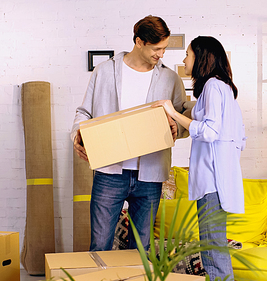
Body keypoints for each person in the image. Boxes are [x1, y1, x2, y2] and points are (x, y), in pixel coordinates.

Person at [70, 15, 187, 252]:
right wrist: (77, 135)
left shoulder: (170, 78)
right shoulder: (105, 71)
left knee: (141, 249)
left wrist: (179, 127)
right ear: (139, 41)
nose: (161, 55)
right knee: (100, 244)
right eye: (157, 48)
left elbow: (182, 115)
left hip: (150, 176)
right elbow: (84, 112)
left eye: (164, 49)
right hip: (109, 173)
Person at [153, 36, 245, 281]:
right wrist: (187, 109)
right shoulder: (220, 88)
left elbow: (209, 131)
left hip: (213, 182)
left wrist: (172, 112)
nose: (184, 59)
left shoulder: (214, 87)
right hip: (216, 181)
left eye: (187, 54)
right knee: (212, 246)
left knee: (212, 249)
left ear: (201, 58)